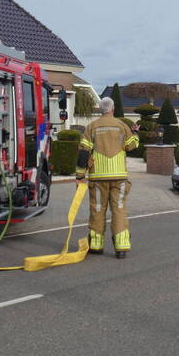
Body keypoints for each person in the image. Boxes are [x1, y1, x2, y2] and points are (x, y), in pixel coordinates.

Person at [75, 97, 140, 258]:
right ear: (113, 108)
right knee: (118, 210)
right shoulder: (122, 126)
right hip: (119, 177)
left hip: (97, 177)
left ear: (100, 108)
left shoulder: (92, 127)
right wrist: (136, 133)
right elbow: (131, 146)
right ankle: (121, 247)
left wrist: (79, 176)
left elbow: (83, 152)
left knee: (97, 209)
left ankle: (96, 245)